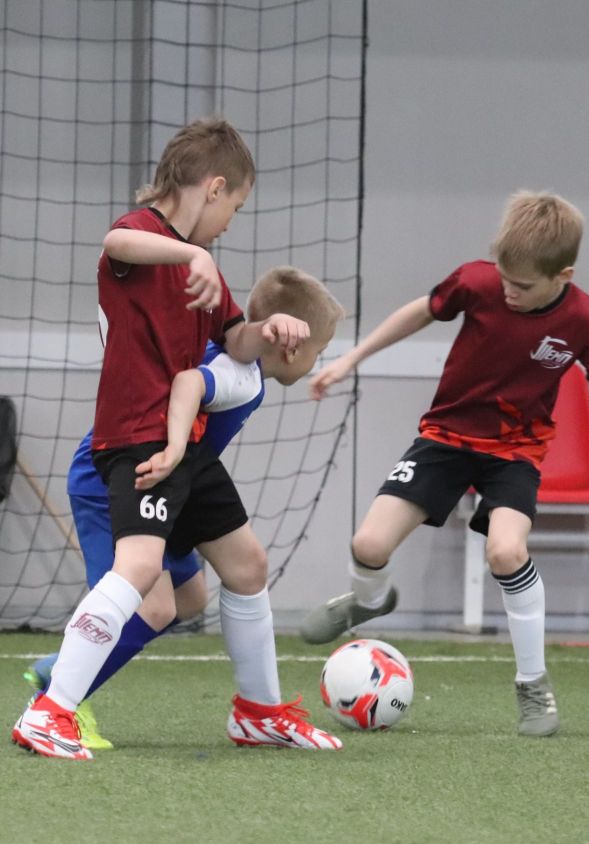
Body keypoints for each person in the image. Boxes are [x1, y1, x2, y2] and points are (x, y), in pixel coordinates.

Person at [299, 190, 589, 737]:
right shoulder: (477, 282)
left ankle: (533, 684)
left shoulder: (585, 320)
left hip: (515, 453)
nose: (508, 291)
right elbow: (419, 311)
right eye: (504, 278)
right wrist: (351, 359)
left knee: (506, 551)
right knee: (368, 545)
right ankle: (370, 602)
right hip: (444, 439)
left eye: (523, 286)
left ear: (563, 276)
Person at [12, 117, 340, 759]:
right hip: (139, 436)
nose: (228, 224)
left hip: (182, 446)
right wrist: (193, 255)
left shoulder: (203, 271)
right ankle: (50, 712)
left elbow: (234, 341)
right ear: (214, 187)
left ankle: (258, 713)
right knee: (140, 575)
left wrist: (269, 327)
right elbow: (115, 241)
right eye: (234, 207)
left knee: (247, 566)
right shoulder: (146, 239)